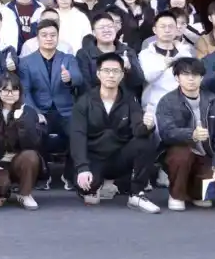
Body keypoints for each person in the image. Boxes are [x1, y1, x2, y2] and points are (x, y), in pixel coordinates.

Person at [69, 52, 161, 213]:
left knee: (147, 139)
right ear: (98, 74)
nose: (111, 75)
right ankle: (101, 184)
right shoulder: (84, 101)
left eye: (116, 71)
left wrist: (147, 125)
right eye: (106, 71)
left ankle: (136, 194)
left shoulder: (130, 99)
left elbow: (138, 130)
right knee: (89, 194)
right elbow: (78, 135)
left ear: (122, 75)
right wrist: (82, 167)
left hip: (119, 157)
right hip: (94, 158)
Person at [157, 57, 215, 211]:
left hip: (206, 155)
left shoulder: (214, 102)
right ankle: (177, 195)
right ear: (177, 78)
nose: (191, 79)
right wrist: (191, 134)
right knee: (181, 154)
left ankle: (196, 193)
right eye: (185, 74)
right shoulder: (167, 101)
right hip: (179, 153)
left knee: (205, 197)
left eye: (195, 74)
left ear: (202, 78)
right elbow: (167, 132)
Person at [18, 20, 83, 190]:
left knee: (77, 132)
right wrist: (35, 112)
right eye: (44, 35)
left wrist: (70, 78)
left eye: (53, 35)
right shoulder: (26, 62)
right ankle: (43, 174)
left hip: (66, 110)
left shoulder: (68, 58)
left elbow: (79, 78)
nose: (49, 38)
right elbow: (25, 91)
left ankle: (69, 174)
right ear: (37, 38)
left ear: (58, 37)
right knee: (33, 129)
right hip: (40, 110)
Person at [0, 72, 43, 211]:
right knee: (2, 187)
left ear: (20, 92)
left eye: (14, 89)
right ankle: (3, 191)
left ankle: (25, 194)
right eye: (5, 90)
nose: (10, 94)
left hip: (19, 160)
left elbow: (33, 144)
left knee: (30, 156)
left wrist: (21, 122)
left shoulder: (28, 112)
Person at [76, 12, 144, 98]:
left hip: (125, 102)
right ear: (93, 33)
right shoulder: (84, 54)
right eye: (101, 27)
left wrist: (129, 68)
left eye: (110, 26)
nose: (106, 30)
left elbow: (138, 82)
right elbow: (84, 87)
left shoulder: (127, 51)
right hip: (94, 102)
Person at [139, 11, 194, 112]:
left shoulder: (185, 53)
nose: (167, 30)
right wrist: (164, 65)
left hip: (183, 106)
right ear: (154, 30)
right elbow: (148, 77)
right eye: (163, 27)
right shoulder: (146, 54)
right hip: (155, 106)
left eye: (171, 26)